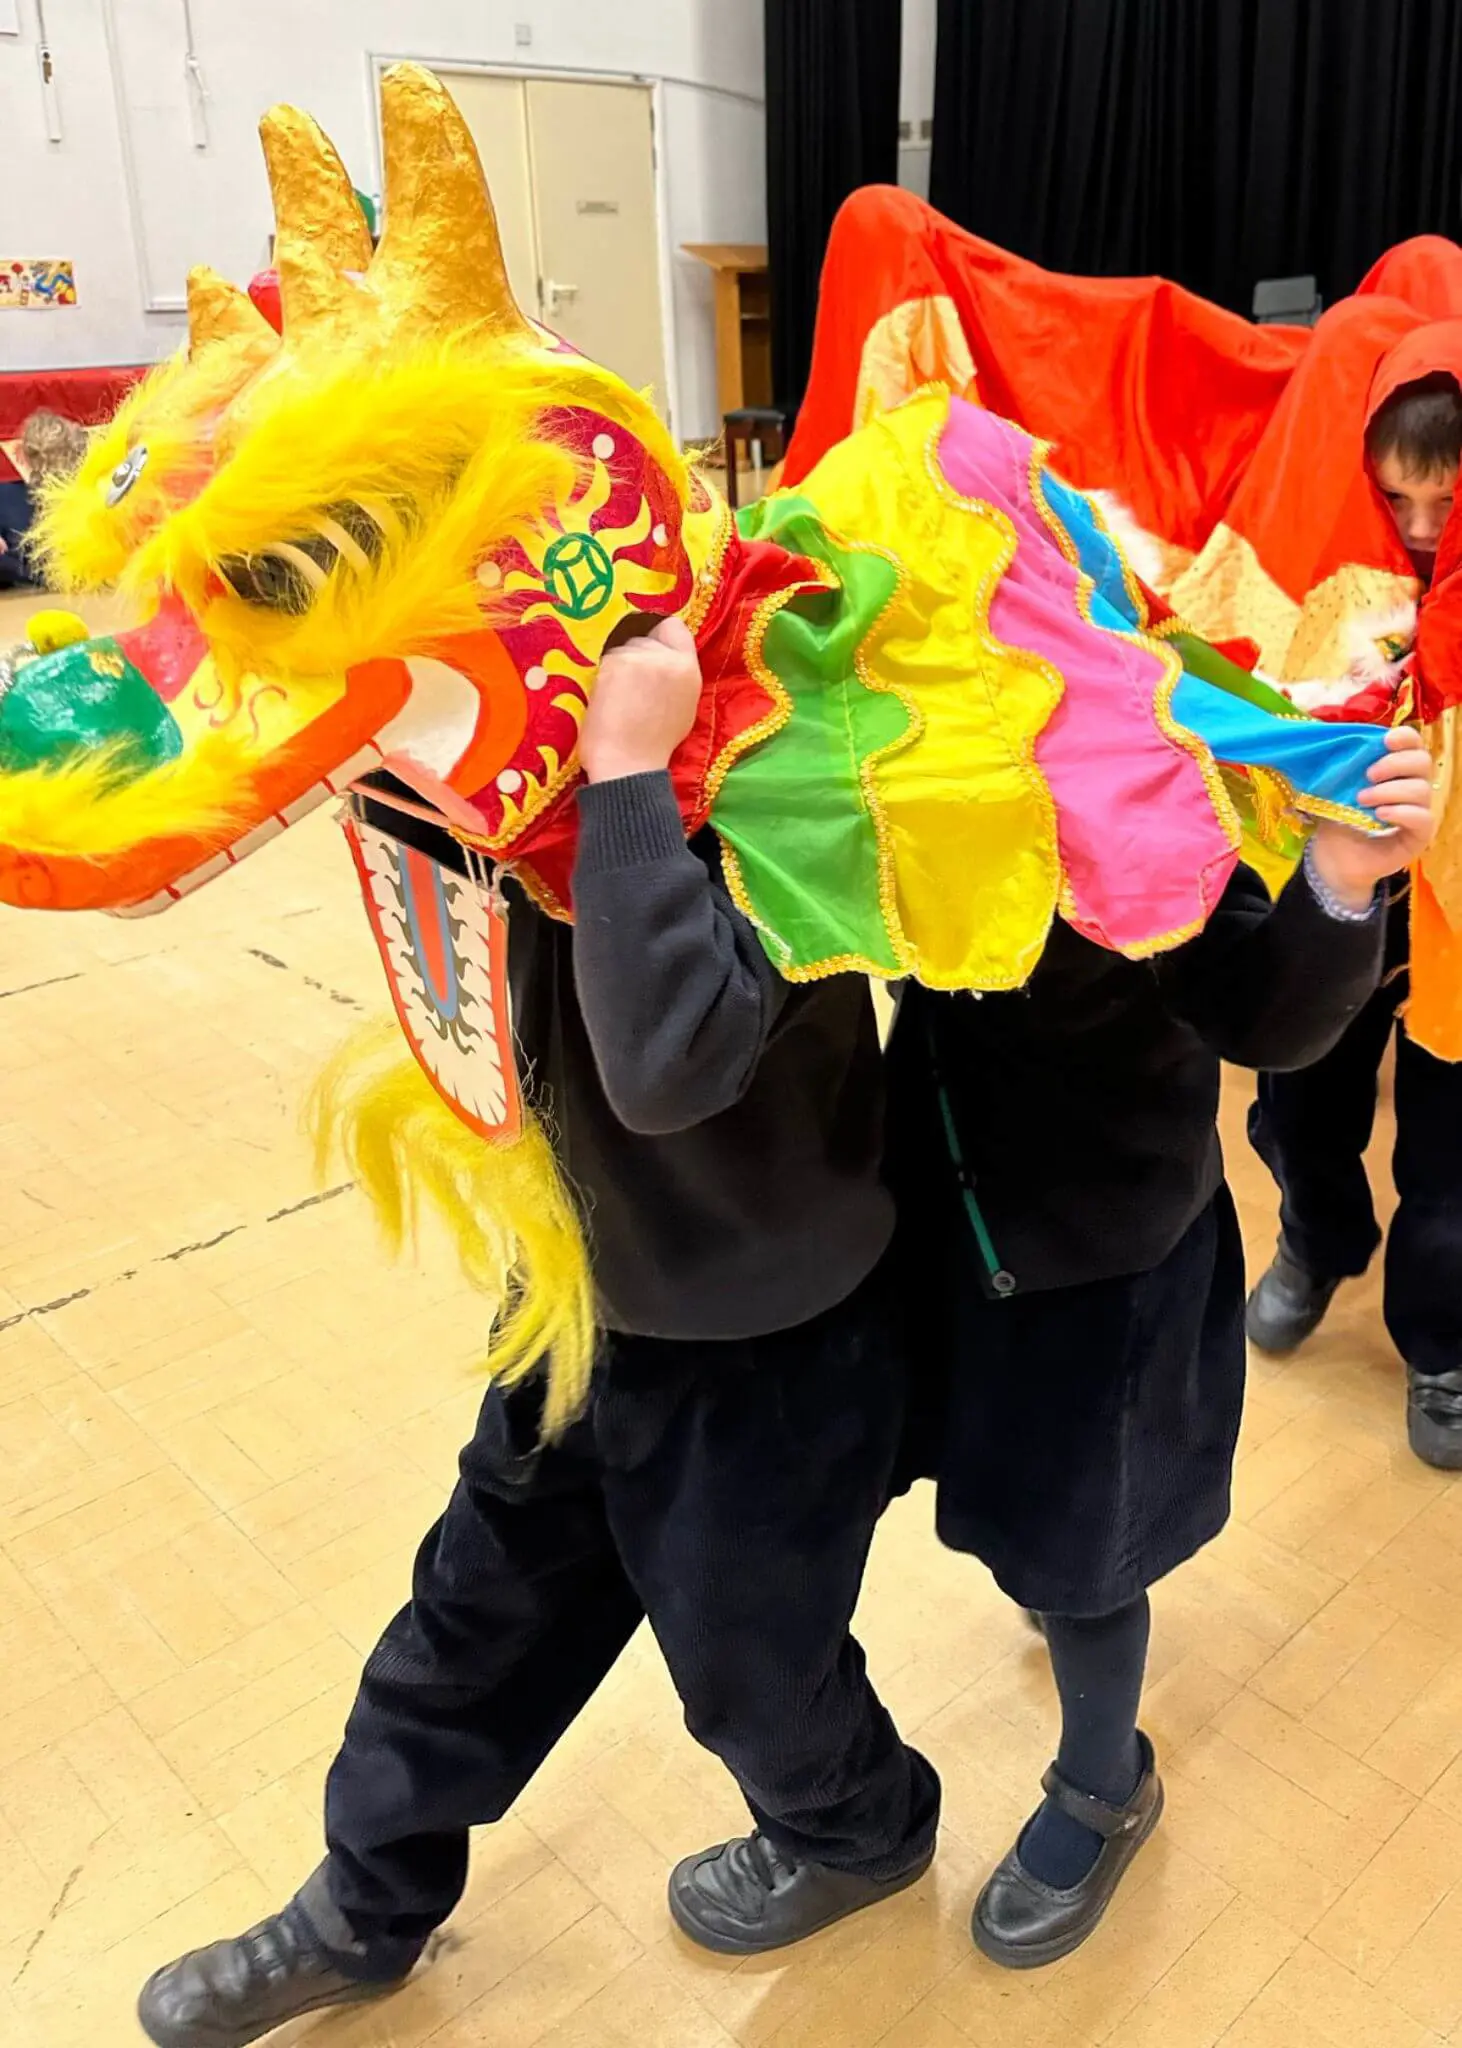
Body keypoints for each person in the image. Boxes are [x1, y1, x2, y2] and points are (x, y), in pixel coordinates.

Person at [137, 617, 939, 2048]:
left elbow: (667, 1062)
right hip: (580, 1287)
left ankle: (863, 1827)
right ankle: (360, 1907)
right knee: (466, 1618)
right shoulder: (508, 724)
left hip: (768, 1328)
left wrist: (630, 771)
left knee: (753, 1668)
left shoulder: (780, 744)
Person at [886, 728, 1437, 1969]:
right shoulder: (913, 718)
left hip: (1106, 1249)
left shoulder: (1136, 748)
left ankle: (1103, 1780)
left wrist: (1341, 879)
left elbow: (1265, 1008)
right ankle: (1049, 1587)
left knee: (1087, 1548)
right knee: (1006, 1491)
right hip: (953, 1200)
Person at [1246, 366, 1462, 1469]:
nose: (1421, 531)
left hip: (1458, 939)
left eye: (1445, 502)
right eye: (1397, 502)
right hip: (1345, 904)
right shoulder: (1329, 578)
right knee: (1298, 1103)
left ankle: (1443, 1338)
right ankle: (1313, 1237)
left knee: (1453, 1154)